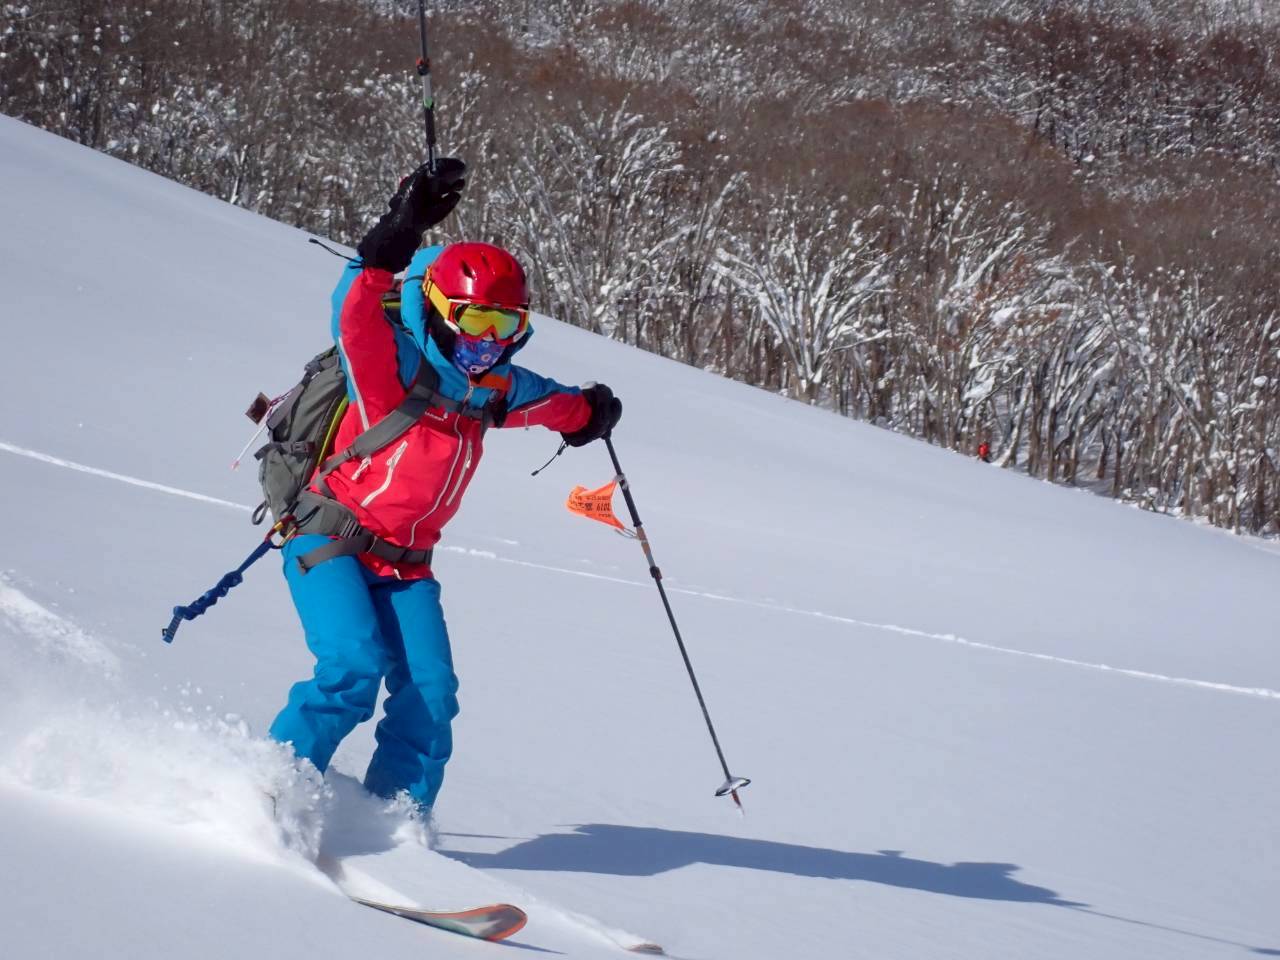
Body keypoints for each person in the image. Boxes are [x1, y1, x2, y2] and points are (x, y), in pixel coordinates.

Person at [267, 159, 621, 814]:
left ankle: (392, 826)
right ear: (437, 310)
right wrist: (398, 230)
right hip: (328, 539)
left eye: (506, 326)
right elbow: (354, 312)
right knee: (351, 669)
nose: (489, 342)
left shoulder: (492, 390)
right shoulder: (390, 366)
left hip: (406, 566)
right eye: (476, 320)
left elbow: (552, 403)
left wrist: (589, 415)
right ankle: (269, 794)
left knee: (431, 696)